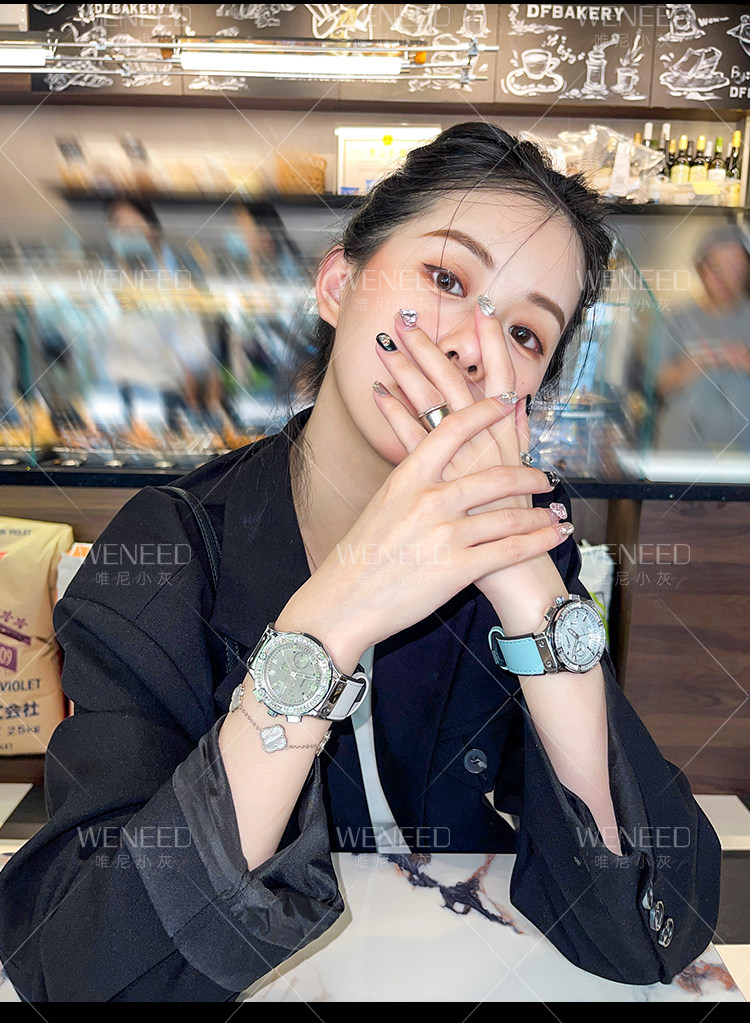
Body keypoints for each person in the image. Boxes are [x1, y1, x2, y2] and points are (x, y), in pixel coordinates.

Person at [0, 123, 720, 1002]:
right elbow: (80, 968)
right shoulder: (170, 549)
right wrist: (329, 620)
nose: (473, 347)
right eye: (447, 279)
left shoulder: (522, 544)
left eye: (527, 334)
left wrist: (533, 593)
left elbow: (649, 927)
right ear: (340, 284)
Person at [653, 225, 750, 454]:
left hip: (743, 451)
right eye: (716, 267)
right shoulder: (676, 317)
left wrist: (744, 360)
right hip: (682, 446)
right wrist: (700, 360)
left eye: (734, 268)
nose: (724, 277)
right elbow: (660, 385)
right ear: (700, 268)